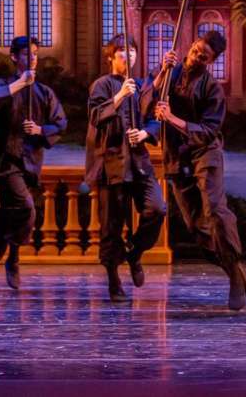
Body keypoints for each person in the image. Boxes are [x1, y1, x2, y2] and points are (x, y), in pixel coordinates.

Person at [141, 31, 246, 311]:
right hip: (176, 156)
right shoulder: (169, 72)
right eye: (195, 51)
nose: (195, 57)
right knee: (196, 226)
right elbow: (145, 103)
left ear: (211, 61)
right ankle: (234, 270)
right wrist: (161, 72)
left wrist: (171, 118)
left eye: (203, 57)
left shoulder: (212, 89)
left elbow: (207, 131)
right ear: (191, 46)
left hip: (205, 153)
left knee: (215, 211)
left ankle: (234, 277)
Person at [0, 36, 67, 293]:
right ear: (14, 57)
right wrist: (19, 84)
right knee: (26, 209)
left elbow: (60, 123)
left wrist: (40, 130)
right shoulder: (4, 85)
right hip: (8, 162)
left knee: (8, 215)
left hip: (31, 163)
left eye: (35, 53)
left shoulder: (44, 92)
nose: (32, 58)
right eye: (26, 53)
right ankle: (13, 258)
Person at [84, 37, 166, 301]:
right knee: (111, 225)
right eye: (121, 51)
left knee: (157, 208)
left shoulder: (142, 86)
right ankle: (113, 279)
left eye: (132, 51)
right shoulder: (102, 85)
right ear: (111, 57)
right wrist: (119, 96)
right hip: (112, 162)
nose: (127, 55)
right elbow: (95, 116)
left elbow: (154, 119)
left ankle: (135, 252)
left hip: (139, 161)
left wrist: (145, 133)